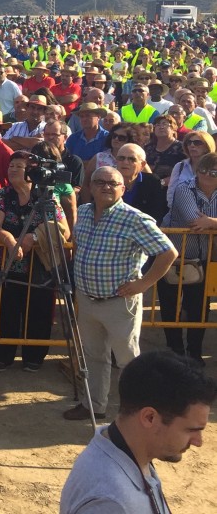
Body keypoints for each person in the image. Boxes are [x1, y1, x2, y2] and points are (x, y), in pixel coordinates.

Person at [64, 166, 178, 421]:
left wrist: (144, 284)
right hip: (87, 298)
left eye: (112, 183)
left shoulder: (134, 218)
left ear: (122, 189)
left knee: (128, 362)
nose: (106, 186)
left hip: (120, 302)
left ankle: (136, 414)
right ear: (91, 187)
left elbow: (168, 252)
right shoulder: (82, 212)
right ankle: (93, 405)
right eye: (100, 182)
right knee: (93, 357)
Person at [60, 350, 217, 514]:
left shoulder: (125, 448)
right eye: (191, 430)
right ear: (149, 418)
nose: (198, 442)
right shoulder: (112, 502)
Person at [0, 151, 60, 372]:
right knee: (6, 309)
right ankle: (4, 355)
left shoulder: (46, 195)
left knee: (38, 309)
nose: (13, 169)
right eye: (11, 165)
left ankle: (34, 357)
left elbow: (60, 228)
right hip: (8, 263)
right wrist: (9, 239)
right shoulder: (1, 195)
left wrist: (33, 237)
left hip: (39, 264)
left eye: (19, 166)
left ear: (32, 172)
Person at [158, 150, 217, 366]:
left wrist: (211, 222)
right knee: (170, 304)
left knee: (199, 308)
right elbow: (194, 221)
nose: (206, 175)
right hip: (175, 256)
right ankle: (174, 350)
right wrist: (211, 223)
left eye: (213, 172)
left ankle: (194, 353)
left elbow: (203, 224)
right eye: (202, 170)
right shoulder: (184, 188)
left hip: (205, 259)